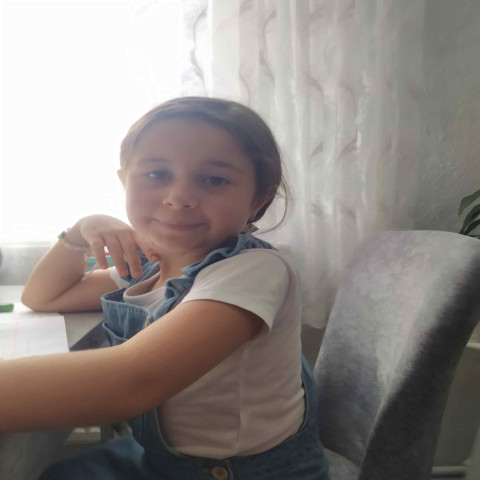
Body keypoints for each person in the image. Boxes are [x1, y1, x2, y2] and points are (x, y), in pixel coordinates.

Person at [2, 97, 330, 479]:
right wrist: (79, 231)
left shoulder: (253, 270)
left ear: (259, 198)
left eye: (214, 180)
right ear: (124, 181)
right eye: (157, 174)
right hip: (160, 459)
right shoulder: (148, 265)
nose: (178, 198)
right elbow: (43, 297)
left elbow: (132, 382)